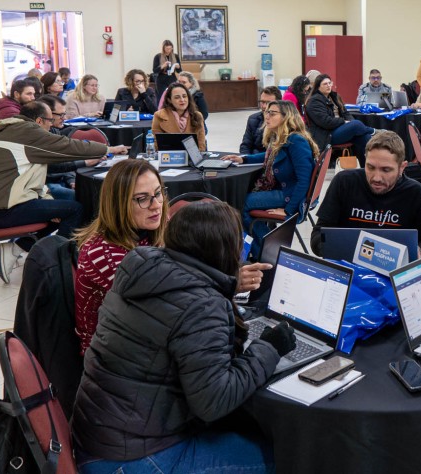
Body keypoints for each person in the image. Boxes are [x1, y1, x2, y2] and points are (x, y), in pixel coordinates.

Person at [72, 201, 294, 473]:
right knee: (286, 457)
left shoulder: (140, 267)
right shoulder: (202, 306)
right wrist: (269, 348)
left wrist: (225, 284)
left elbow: (178, 303)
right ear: (227, 248)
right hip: (132, 458)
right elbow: (214, 402)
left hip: (97, 437)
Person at [74, 159, 273, 355]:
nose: (156, 205)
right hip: (113, 355)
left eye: (158, 193)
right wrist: (228, 282)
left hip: (148, 339)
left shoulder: (149, 233)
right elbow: (170, 305)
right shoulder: (103, 254)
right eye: (142, 198)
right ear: (118, 204)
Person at [0, 101, 127, 283]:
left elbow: (42, 171)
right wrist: (108, 149)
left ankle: (18, 248)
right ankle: (55, 264)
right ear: (39, 121)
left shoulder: (11, 130)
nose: (51, 126)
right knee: (75, 210)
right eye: (49, 121)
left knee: (62, 209)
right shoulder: (28, 132)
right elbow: (68, 145)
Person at [310, 131, 421, 255]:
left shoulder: (414, 192)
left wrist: (417, 252)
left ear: (402, 167)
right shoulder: (344, 182)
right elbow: (317, 236)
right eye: (370, 167)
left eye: (386, 170)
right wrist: (341, 249)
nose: (376, 178)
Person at [224, 100, 318, 257]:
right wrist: (244, 159)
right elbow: (271, 156)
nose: (267, 116)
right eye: (267, 112)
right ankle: (264, 251)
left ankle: (268, 251)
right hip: (285, 189)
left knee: (241, 204)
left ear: (286, 117)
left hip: (291, 194)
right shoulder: (282, 137)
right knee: (240, 201)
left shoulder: (296, 141)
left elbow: (304, 180)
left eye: (272, 113)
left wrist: (288, 210)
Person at [304, 73, 374, 166]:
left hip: (339, 129)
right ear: (318, 87)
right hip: (326, 135)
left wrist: (349, 122)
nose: (328, 86)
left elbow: (345, 113)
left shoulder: (334, 97)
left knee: (365, 137)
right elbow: (325, 122)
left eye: (330, 83)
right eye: (325, 84)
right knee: (356, 125)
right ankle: (373, 131)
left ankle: (366, 167)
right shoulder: (314, 101)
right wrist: (344, 122)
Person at [38, 95, 97, 201]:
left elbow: (64, 159)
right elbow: (53, 166)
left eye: (64, 114)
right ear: (47, 114)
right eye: (61, 115)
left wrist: (71, 180)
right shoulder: (38, 137)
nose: (64, 118)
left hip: (61, 179)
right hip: (45, 184)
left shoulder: (54, 131)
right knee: (84, 197)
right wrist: (86, 162)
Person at [152, 82, 207, 151]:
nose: (182, 100)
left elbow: (201, 146)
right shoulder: (159, 115)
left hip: (192, 156)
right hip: (168, 155)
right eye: (177, 97)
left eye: (184, 96)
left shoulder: (197, 115)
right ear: (169, 100)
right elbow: (156, 145)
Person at [241, 86, 282, 155]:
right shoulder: (253, 119)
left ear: (279, 103)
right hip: (253, 158)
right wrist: (245, 159)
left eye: (269, 103)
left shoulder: (284, 122)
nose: (264, 106)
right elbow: (245, 145)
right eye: (262, 102)